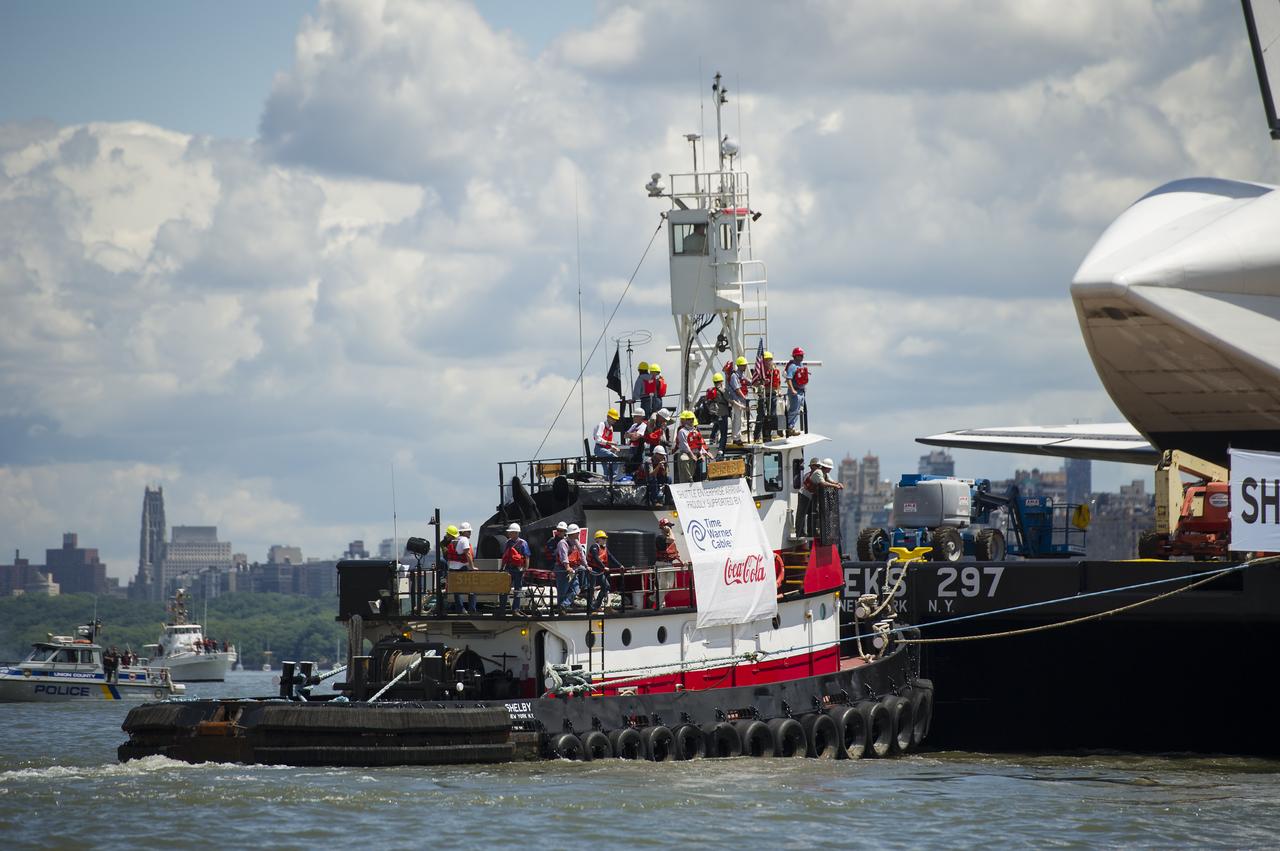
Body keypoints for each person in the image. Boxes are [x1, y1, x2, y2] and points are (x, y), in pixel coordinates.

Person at [585, 530, 624, 613]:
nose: (604, 540)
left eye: (605, 538)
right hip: (592, 572)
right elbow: (596, 558)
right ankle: (590, 608)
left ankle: (596, 605)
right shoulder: (594, 547)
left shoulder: (605, 548)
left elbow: (611, 557)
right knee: (591, 589)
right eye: (603, 538)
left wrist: (620, 565)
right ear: (597, 539)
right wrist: (604, 567)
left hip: (600, 571)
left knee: (606, 586)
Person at [498, 523, 530, 616]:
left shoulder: (523, 543)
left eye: (510, 532)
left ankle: (516, 609)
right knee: (504, 589)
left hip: (518, 569)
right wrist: (502, 568)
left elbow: (527, 556)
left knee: (518, 590)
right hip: (509, 568)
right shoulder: (508, 543)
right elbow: (505, 557)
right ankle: (502, 609)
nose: (509, 534)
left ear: (516, 533)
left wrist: (525, 569)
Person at [447, 522, 478, 615]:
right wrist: (472, 567)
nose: (470, 533)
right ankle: (472, 609)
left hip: (452, 568)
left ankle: (461, 610)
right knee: (472, 588)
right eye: (468, 531)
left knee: (457, 590)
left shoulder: (453, 541)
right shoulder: (464, 540)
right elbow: (467, 554)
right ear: (463, 532)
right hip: (462, 568)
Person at [675, 410, 713, 482]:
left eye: (692, 419)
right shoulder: (682, 431)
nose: (691, 421)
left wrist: (705, 453)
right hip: (686, 453)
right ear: (685, 420)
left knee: (698, 468)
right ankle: (689, 479)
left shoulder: (695, 431)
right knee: (684, 459)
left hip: (696, 454)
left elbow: (700, 444)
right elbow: (684, 445)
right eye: (689, 419)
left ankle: (693, 479)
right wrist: (692, 455)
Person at [752, 351, 782, 442]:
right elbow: (754, 383)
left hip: (772, 394)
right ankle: (756, 435)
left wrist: (779, 391)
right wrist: (762, 382)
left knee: (773, 414)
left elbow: (778, 383)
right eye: (766, 360)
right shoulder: (760, 372)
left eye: (770, 360)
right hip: (763, 395)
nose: (768, 362)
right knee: (761, 416)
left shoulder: (775, 371)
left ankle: (775, 431)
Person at [727, 356, 751, 445]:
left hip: (741, 400)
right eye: (743, 365)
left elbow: (749, 382)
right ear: (739, 366)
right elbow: (737, 389)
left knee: (740, 419)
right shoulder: (734, 376)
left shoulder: (742, 375)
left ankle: (738, 436)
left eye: (745, 365)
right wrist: (744, 398)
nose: (745, 367)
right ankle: (736, 438)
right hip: (737, 401)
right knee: (737, 418)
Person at [785, 347, 809, 435]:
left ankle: (791, 427)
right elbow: (788, 379)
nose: (802, 356)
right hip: (795, 392)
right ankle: (788, 427)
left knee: (798, 410)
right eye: (800, 355)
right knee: (793, 410)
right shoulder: (792, 367)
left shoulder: (801, 366)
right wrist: (792, 390)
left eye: (802, 355)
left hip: (801, 391)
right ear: (796, 356)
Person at [705, 372, 732, 453]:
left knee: (716, 424)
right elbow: (729, 399)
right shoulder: (722, 390)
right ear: (721, 381)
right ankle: (721, 449)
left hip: (714, 412)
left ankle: (711, 438)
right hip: (722, 412)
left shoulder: (712, 390)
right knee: (724, 433)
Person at [593, 408, 622, 479]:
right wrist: (608, 443)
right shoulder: (602, 425)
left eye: (615, 419)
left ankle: (608, 482)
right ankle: (614, 477)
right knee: (615, 459)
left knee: (606, 470)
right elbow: (597, 438)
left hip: (605, 449)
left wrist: (614, 447)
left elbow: (610, 441)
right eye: (613, 419)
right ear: (608, 417)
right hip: (599, 449)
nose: (614, 421)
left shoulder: (611, 428)